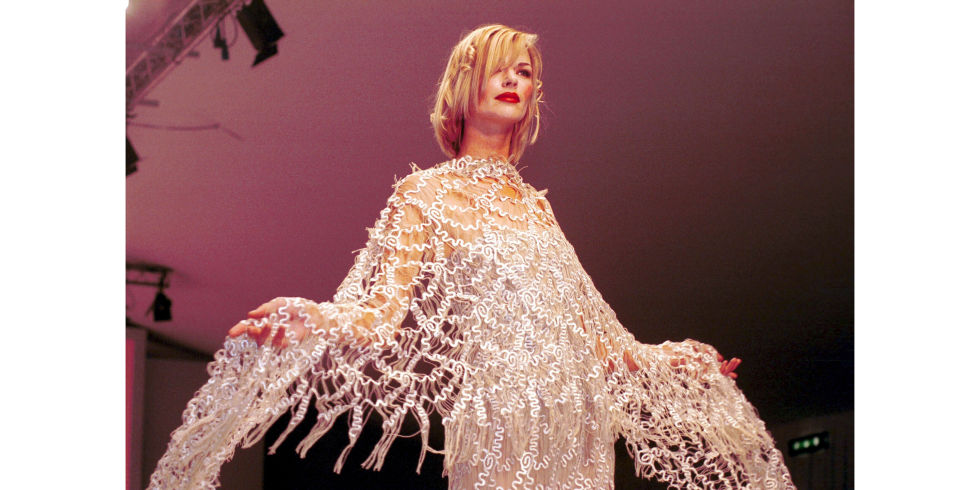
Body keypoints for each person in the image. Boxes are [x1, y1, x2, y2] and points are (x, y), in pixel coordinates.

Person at [148, 24, 794, 489]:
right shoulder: (422, 194)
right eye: (499, 68)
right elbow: (377, 315)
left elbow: (592, 340)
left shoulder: (535, 207)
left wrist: (672, 359)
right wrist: (310, 319)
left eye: (525, 73)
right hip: (499, 419)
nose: (514, 79)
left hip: (574, 423)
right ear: (464, 84)